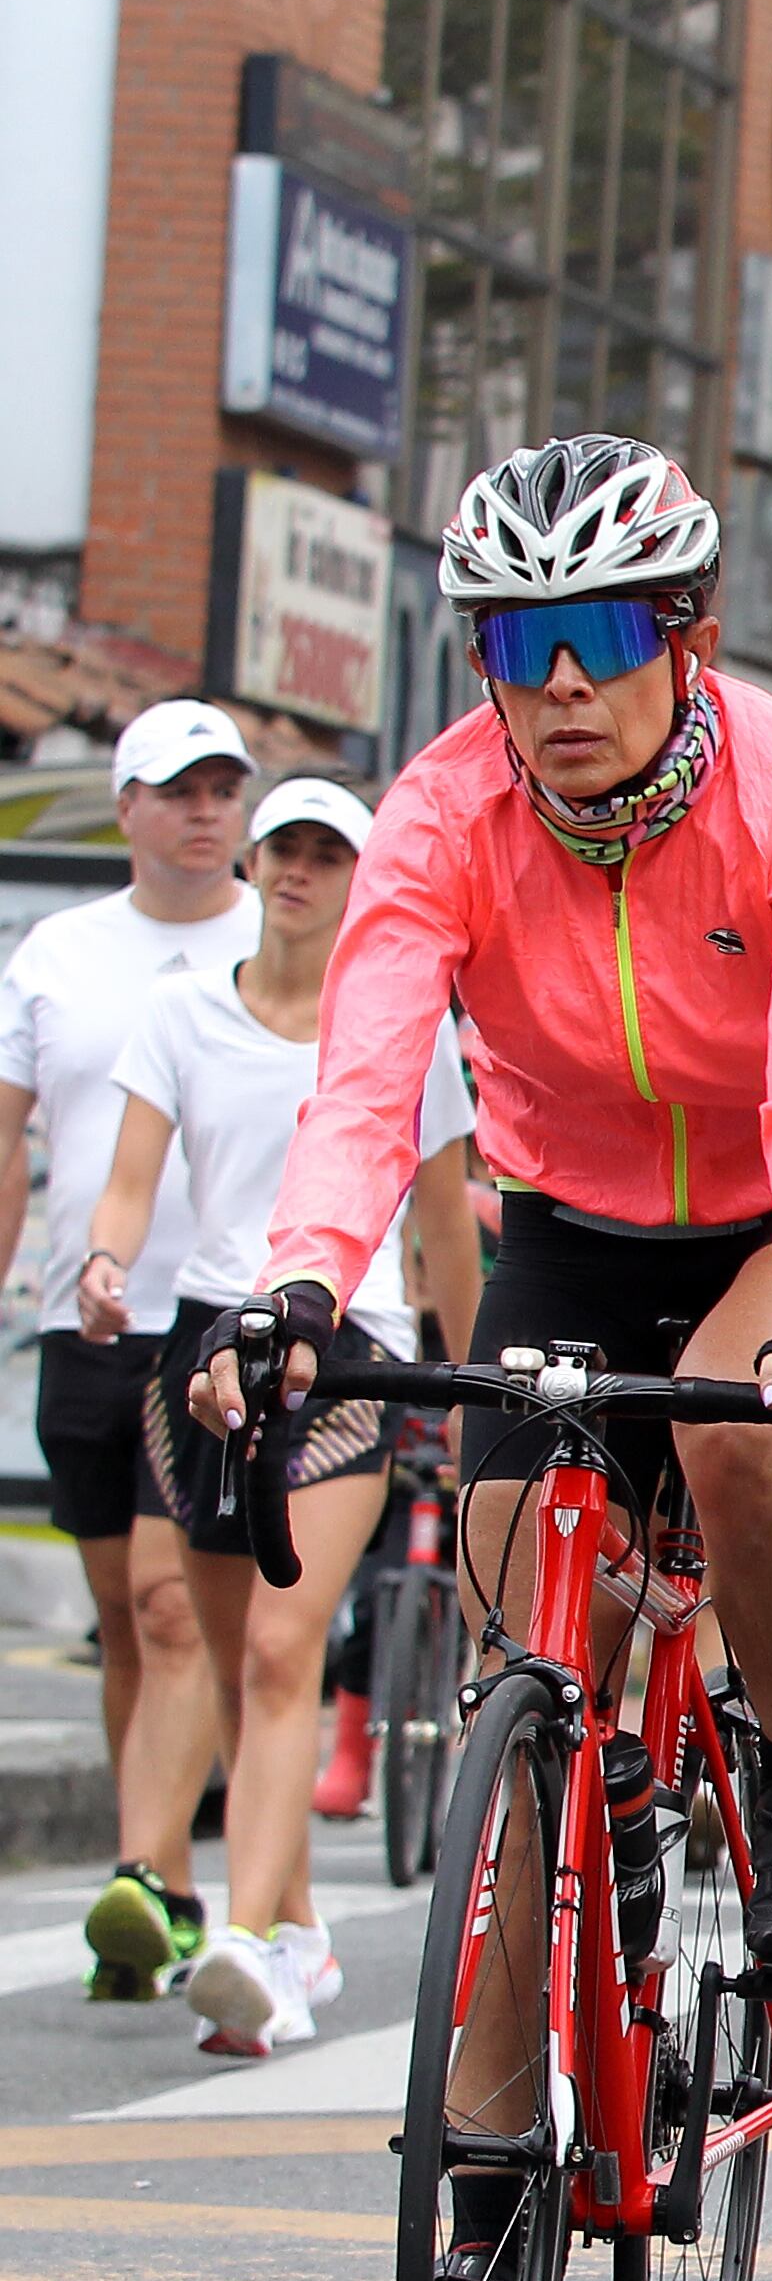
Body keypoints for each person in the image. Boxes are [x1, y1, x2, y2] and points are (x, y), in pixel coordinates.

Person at [198, 434, 772, 2281]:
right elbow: (363, 1087)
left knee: (735, 1441)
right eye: (521, 645)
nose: (565, 684)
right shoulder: (441, 815)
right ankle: (485, 2221)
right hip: (573, 1225)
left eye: (604, 634)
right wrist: (299, 1287)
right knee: (526, 1714)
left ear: (686, 632)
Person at [78, 776, 479, 2058]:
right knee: (223, 1659)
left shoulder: (407, 1031)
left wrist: (471, 1387)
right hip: (209, 1340)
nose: (300, 870)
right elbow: (131, 1182)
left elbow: (444, 1223)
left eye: (328, 852)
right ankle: (296, 1923)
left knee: (278, 1644)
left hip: (351, 1349)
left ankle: (245, 1938)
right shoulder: (180, 1010)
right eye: (284, 849)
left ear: (364, 878)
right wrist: (104, 1258)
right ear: (252, 865)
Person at [0, 699, 260, 2000]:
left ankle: (153, 1877)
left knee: (172, 1604)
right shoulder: (58, 952)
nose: (205, 812)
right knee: (122, 1615)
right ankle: (153, 1869)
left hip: (217, 1318)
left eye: (224, 789)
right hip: (85, 1316)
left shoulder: (277, 942)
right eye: (179, 790)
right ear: (128, 808)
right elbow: (10, 1135)